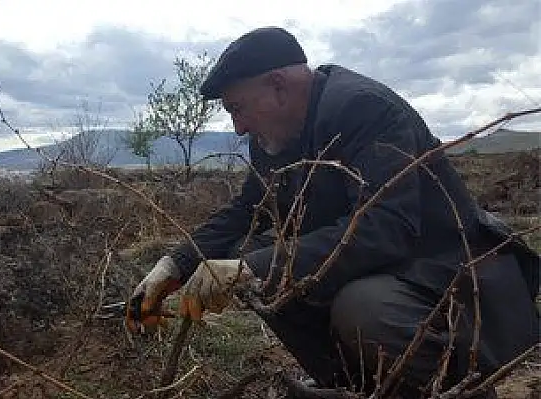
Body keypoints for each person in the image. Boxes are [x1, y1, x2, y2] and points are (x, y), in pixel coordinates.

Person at [126, 27, 539, 398]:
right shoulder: (274, 135)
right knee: (246, 251)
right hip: (383, 269)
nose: (238, 128)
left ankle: (455, 391)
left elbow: (388, 227)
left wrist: (250, 268)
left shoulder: (365, 109)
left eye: (238, 108)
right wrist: (175, 263)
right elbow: (247, 211)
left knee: (360, 307)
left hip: (449, 276)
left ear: (278, 86)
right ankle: (350, 386)